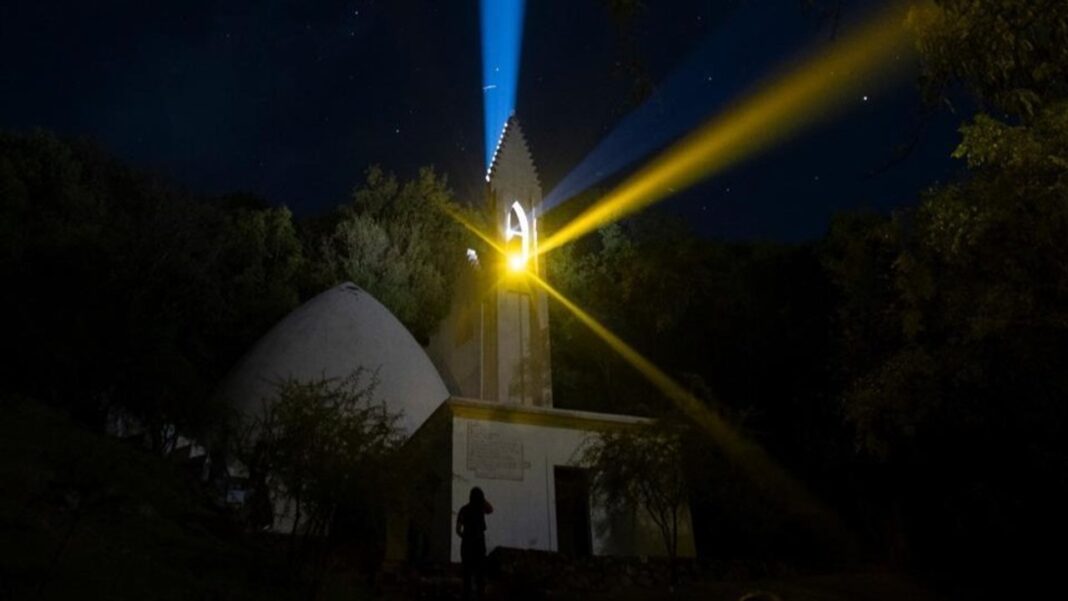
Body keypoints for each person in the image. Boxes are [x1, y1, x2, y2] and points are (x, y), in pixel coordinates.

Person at [456, 486, 493, 600]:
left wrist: (464, 537)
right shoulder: (479, 509)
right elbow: (490, 509)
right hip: (478, 545)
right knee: (479, 576)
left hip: (467, 545)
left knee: (467, 576)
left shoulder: (464, 509)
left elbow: (458, 529)